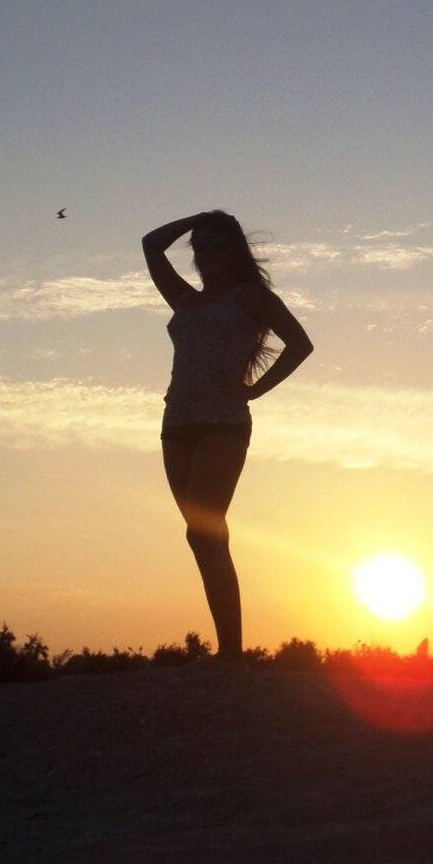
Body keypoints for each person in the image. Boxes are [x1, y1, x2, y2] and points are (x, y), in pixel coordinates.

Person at [142, 210, 314, 663]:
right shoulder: (185, 299)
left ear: (234, 250)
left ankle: (231, 654)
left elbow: (300, 343)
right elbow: (151, 245)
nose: (207, 254)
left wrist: (254, 390)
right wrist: (201, 218)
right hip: (177, 424)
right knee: (202, 536)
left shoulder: (251, 297)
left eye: (217, 245)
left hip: (223, 423)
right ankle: (229, 651)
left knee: (206, 533)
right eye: (200, 246)